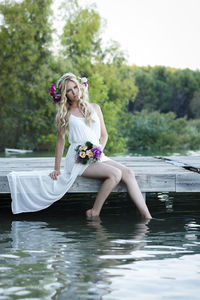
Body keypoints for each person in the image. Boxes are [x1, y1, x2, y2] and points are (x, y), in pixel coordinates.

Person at [7, 72, 151, 219]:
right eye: (69, 90)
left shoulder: (95, 108)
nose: (74, 92)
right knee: (115, 174)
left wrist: (97, 150)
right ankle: (94, 212)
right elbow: (60, 141)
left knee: (128, 173)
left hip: (97, 154)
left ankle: (147, 217)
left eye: (75, 87)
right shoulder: (65, 114)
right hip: (77, 158)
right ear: (65, 94)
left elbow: (104, 135)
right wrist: (57, 168)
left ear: (80, 87)